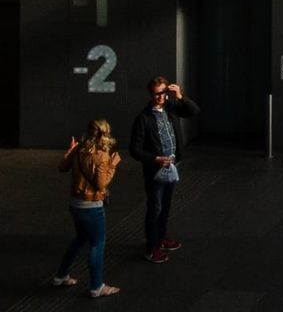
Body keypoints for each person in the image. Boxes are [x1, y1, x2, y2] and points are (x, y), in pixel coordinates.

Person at [128, 75, 198, 264]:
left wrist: (180, 96)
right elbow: (134, 149)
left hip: (173, 166)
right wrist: (154, 159)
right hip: (155, 171)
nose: (160, 97)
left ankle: (162, 238)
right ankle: (151, 248)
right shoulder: (143, 118)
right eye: (156, 93)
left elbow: (193, 111)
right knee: (155, 207)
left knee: (166, 205)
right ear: (151, 94)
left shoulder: (171, 108)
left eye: (163, 92)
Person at [51, 118, 121, 297]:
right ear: (106, 133)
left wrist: (69, 151)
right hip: (91, 206)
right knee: (97, 244)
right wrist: (112, 166)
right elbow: (100, 183)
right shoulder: (102, 155)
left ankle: (61, 275)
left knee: (80, 239)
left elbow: (62, 167)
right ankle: (97, 286)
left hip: (75, 203)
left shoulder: (79, 148)